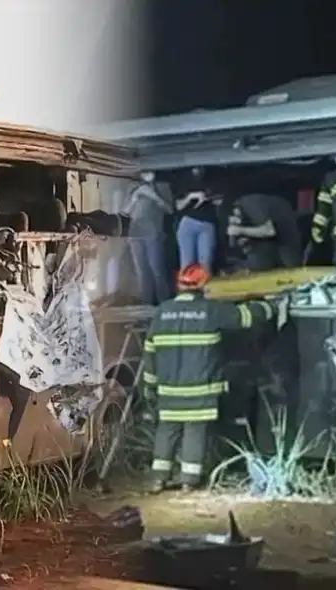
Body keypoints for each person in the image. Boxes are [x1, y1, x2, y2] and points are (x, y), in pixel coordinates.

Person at [141, 263, 277, 492]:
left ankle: (158, 479)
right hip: (200, 393)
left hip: (168, 392)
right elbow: (246, 318)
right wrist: (269, 305)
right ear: (202, 286)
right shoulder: (211, 310)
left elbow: (150, 352)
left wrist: (150, 387)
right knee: (195, 432)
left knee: (167, 431)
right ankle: (189, 481)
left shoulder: (161, 313)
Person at [123, 171, 173, 305]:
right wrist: (135, 196)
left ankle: (164, 304)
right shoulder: (133, 187)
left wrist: (155, 196)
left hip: (154, 234)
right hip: (135, 234)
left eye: (149, 171)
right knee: (141, 271)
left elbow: (170, 209)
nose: (146, 174)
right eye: (144, 172)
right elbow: (125, 211)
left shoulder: (162, 186)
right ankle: (146, 305)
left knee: (157, 269)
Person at [226, 193, 302, 272]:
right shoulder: (245, 215)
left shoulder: (251, 203)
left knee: (290, 267)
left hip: (286, 234)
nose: (235, 222)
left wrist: (240, 230)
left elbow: (270, 230)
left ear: (235, 209)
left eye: (233, 218)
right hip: (273, 242)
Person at [176, 188, 218, 274]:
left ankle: (202, 286)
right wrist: (190, 197)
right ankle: (188, 286)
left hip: (207, 224)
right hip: (188, 223)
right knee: (187, 263)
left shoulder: (214, 178)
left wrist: (210, 198)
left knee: (205, 263)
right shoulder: (184, 179)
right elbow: (178, 206)